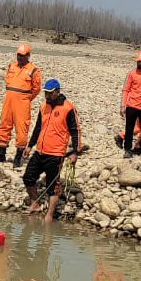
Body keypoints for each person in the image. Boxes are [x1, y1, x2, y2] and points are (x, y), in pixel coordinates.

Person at [23, 79, 82, 221]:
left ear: (57, 92)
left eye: (50, 93)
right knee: (28, 177)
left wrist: (75, 152)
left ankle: (49, 216)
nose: (47, 96)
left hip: (56, 154)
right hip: (40, 151)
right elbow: (38, 127)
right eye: (45, 93)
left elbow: (75, 131)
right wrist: (30, 145)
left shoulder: (68, 108)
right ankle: (35, 204)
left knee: (53, 188)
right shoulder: (43, 106)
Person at [0, 43, 40, 167]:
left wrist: (25, 99)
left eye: (22, 55)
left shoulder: (34, 70)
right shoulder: (11, 66)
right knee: (4, 125)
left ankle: (18, 156)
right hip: (8, 101)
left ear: (28, 56)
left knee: (22, 128)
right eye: (18, 55)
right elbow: (7, 80)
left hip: (22, 103)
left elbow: (36, 89)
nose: (20, 57)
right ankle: (1, 153)